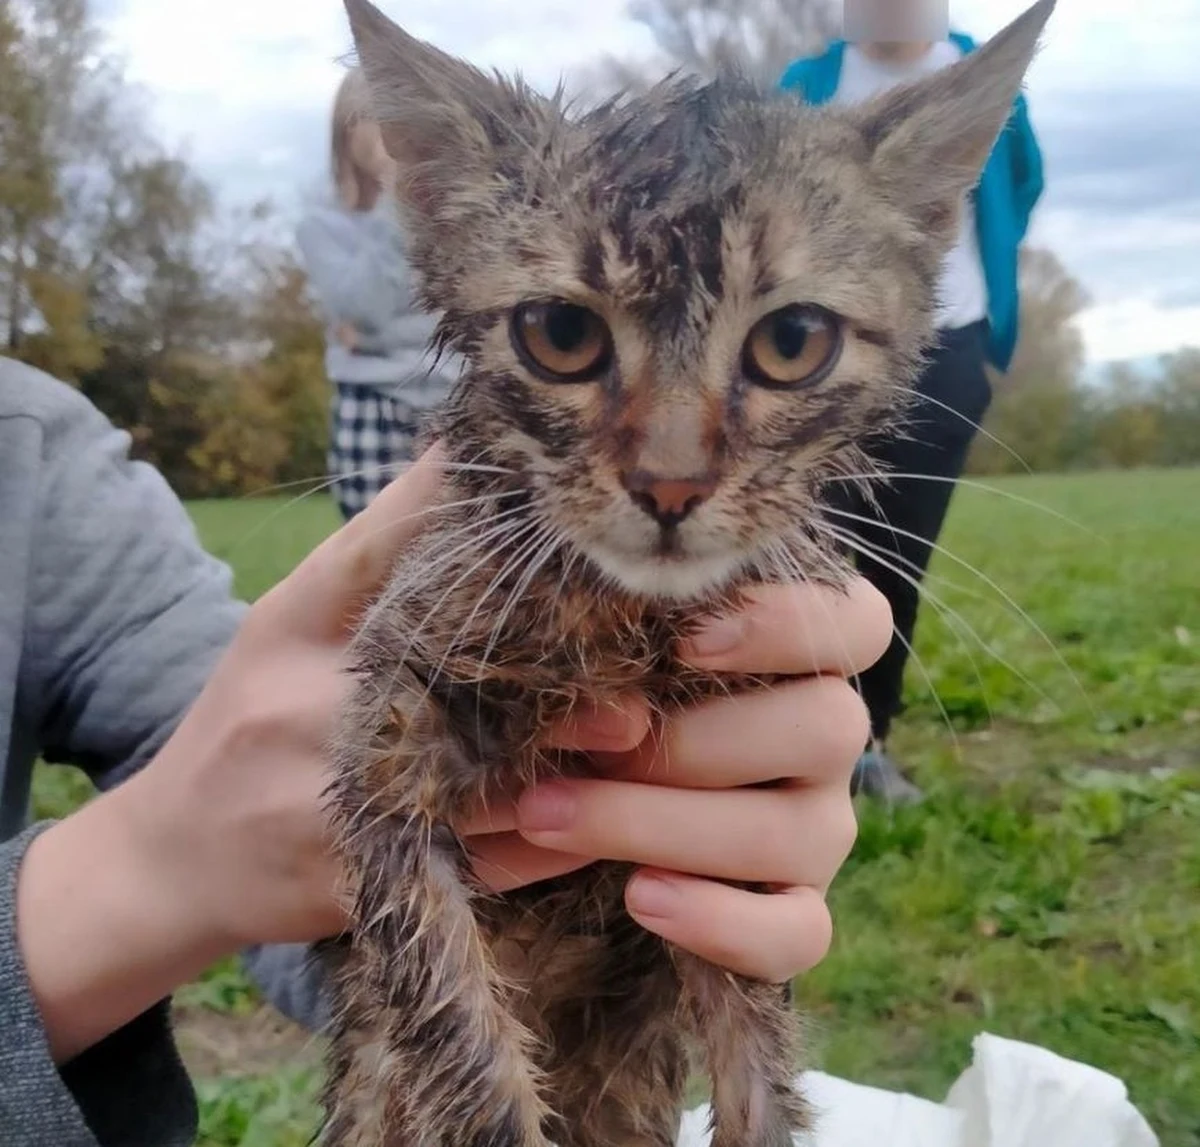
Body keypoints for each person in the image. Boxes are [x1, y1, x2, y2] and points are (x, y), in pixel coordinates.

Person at [0, 354, 891, 1147]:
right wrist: (153, 864)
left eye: (787, 342)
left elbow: (242, 748)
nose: (671, 465)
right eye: (566, 332)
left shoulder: (38, 453)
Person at [779, 7, 1045, 803]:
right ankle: (785, 743)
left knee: (901, 558)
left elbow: (1020, 184)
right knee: (802, 555)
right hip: (812, 365)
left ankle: (870, 743)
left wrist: (980, 281)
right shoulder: (807, 86)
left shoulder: (987, 80)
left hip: (948, 347)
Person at [297, 67, 459, 522]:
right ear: (346, 132)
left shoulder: (447, 218)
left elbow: (457, 311)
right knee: (369, 554)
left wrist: (375, 336)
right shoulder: (321, 226)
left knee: (459, 549)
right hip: (370, 400)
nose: (390, 132)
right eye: (375, 117)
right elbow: (361, 307)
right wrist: (398, 198)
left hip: (450, 396)